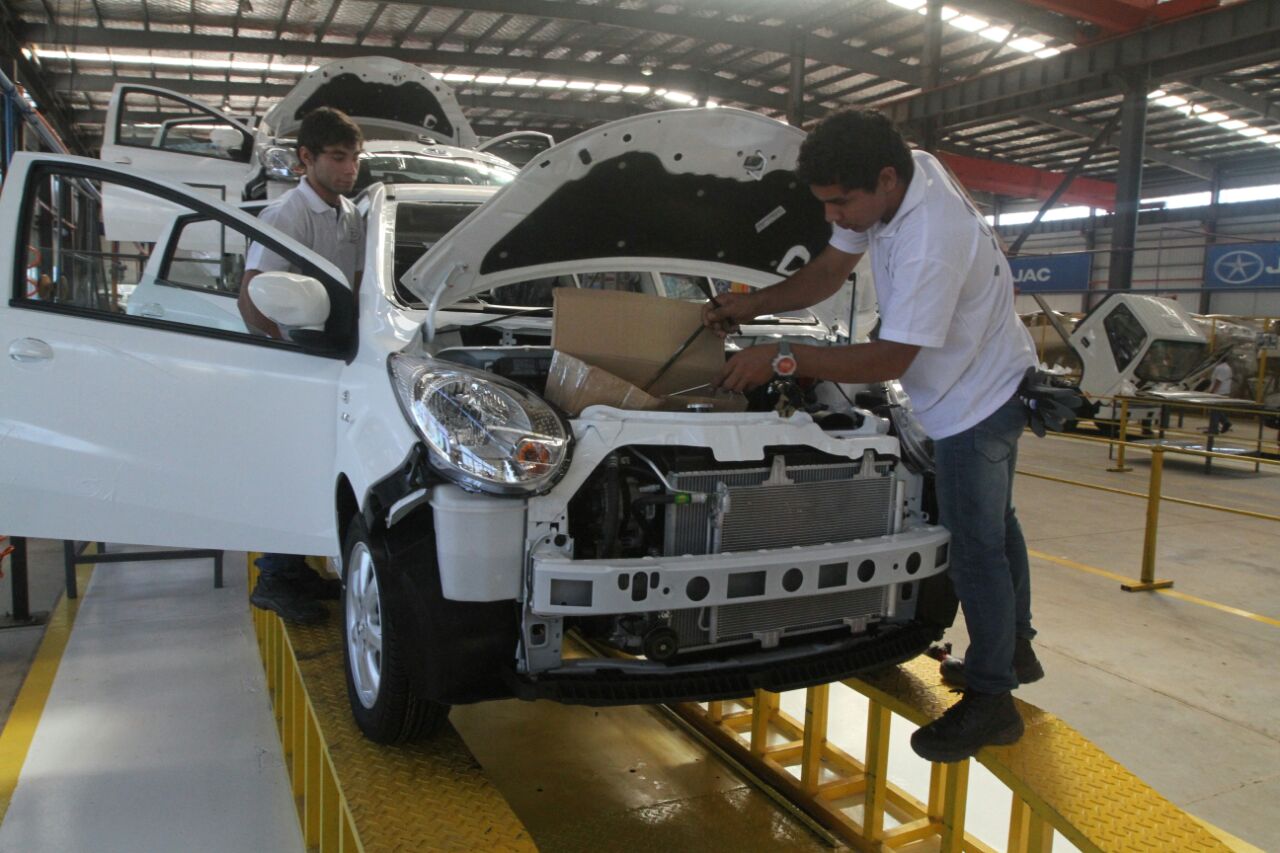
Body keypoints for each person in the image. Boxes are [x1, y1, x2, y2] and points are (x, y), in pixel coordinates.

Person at [704, 109, 1043, 763]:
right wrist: (751, 304)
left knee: (975, 549)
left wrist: (784, 358)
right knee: (998, 527)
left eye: (840, 202)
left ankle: (992, 699)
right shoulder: (907, 175)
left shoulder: (929, 238)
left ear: (886, 179)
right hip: (990, 375)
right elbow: (828, 272)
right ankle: (1016, 648)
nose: (833, 215)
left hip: (974, 401)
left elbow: (888, 359)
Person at [240, 106, 364, 623]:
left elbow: (356, 287)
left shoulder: (351, 214)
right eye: (337, 157)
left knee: (318, 466)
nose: (349, 169)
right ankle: (272, 577)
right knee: (289, 466)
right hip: (294, 361)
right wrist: (284, 358)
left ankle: (293, 568)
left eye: (355, 157)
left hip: (334, 357)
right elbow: (251, 297)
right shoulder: (286, 215)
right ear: (306, 158)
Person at [1207, 359, 1233, 435]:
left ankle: (1213, 429)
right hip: (1223, 391)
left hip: (1219, 392)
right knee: (1216, 410)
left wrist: (1212, 392)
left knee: (1214, 411)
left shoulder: (1221, 368)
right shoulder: (1226, 367)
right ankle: (1225, 422)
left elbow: (1218, 381)